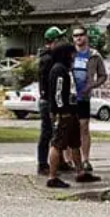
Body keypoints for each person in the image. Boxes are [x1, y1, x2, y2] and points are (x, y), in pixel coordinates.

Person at [46, 43, 100, 188]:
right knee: (57, 144)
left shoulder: (64, 70)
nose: (74, 57)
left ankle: (80, 172)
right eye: (72, 54)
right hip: (63, 113)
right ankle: (52, 176)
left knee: (75, 143)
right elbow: (58, 93)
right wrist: (62, 110)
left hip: (71, 112)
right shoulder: (59, 70)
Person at [71, 26, 108, 173]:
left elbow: (103, 75)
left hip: (84, 96)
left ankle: (86, 159)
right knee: (69, 128)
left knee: (84, 127)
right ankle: (70, 160)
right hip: (70, 97)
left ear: (86, 36)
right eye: (75, 36)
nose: (78, 38)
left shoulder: (94, 55)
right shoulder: (70, 53)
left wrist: (92, 85)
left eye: (81, 35)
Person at [36, 26, 65, 175]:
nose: (61, 42)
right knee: (48, 132)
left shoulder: (50, 57)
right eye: (59, 39)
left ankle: (59, 161)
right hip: (48, 100)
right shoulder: (48, 59)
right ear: (53, 41)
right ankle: (42, 164)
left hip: (48, 100)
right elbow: (49, 82)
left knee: (54, 131)